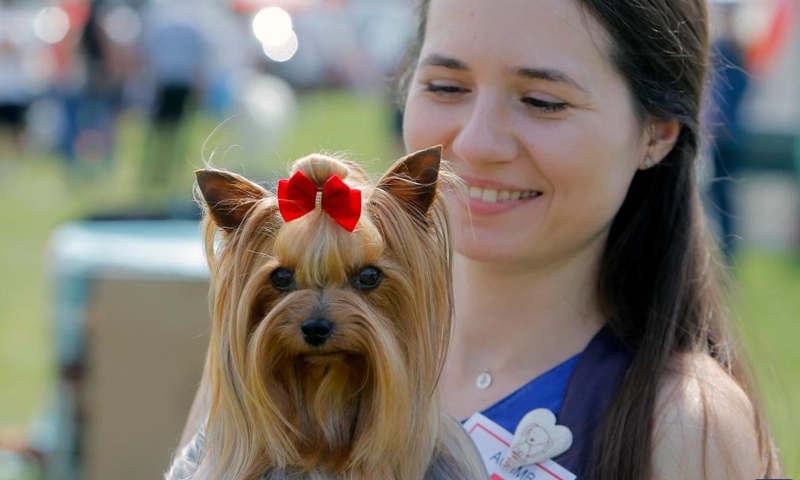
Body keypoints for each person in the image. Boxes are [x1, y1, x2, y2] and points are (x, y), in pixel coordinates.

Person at [174, 0, 783, 478]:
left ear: (657, 133)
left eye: (543, 101)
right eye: (445, 87)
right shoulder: (272, 358)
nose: (478, 143)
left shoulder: (683, 427)